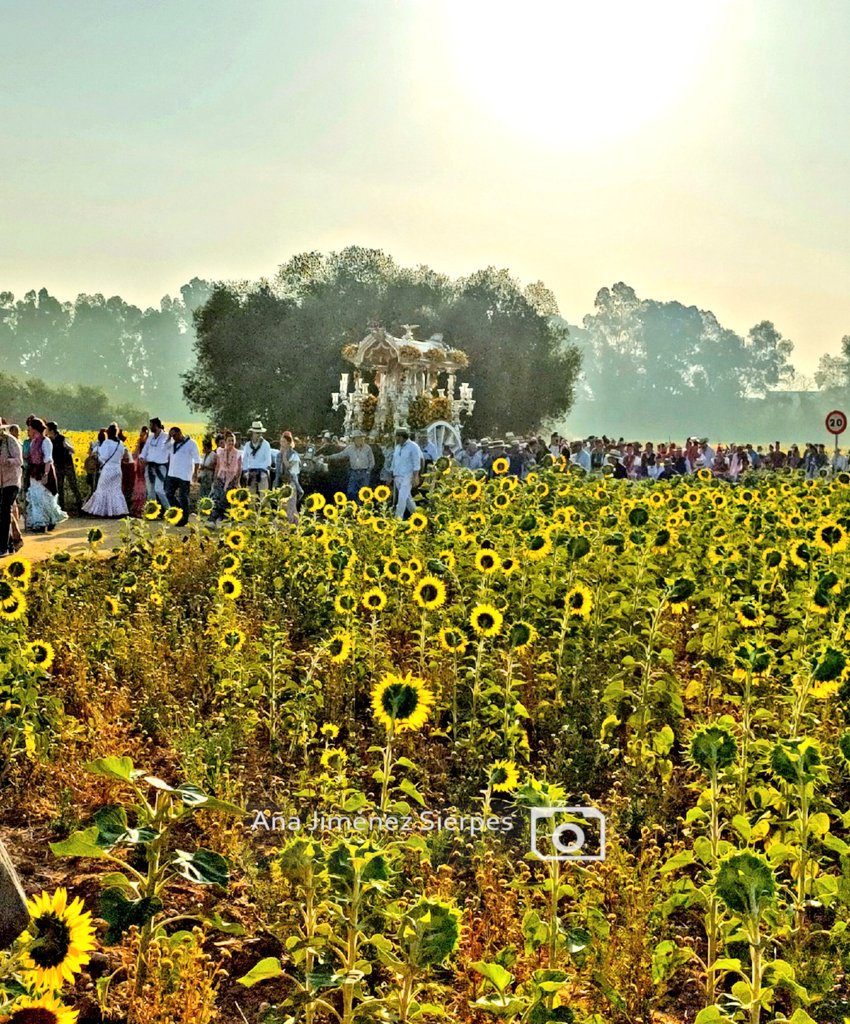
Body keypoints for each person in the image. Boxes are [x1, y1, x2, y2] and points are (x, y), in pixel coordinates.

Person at [27, 417, 68, 532]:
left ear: (35, 429)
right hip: (34, 472)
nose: (29, 431)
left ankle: (49, 520)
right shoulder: (33, 442)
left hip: (44, 471)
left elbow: (48, 460)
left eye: (30, 429)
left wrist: (45, 474)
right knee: (35, 497)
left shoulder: (46, 441)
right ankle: (39, 522)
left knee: (45, 497)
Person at [81, 423, 129, 518]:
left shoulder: (107, 443)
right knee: (115, 491)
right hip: (117, 469)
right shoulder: (120, 444)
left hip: (108, 470)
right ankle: (117, 511)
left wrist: (96, 454)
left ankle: (99, 511)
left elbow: (103, 456)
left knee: (102, 490)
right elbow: (122, 455)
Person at [164, 426, 201, 526]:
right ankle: (181, 511)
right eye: (172, 436)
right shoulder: (172, 444)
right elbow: (164, 448)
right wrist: (168, 438)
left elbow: (197, 459)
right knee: (168, 494)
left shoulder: (191, 443)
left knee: (183, 497)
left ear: (180, 433)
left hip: (184, 474)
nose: (174, 437)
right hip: (172, 473)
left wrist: (195, 473)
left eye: (175, 435)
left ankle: (184, 519)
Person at [327, 430, 375, 502]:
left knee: (364, 493)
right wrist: (328, 457)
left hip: (364, 472)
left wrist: (368, 471)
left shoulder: (367, 448)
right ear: (354, 440)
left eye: (360, 438)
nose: (359, 440)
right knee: (351, 491)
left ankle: (363, 508)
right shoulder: (350, 448)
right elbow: (340, 455)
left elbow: (372, 461)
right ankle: (354, 505)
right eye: (356, 438)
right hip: (354, 473)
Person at [46, 422, 82, 511]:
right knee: (59, 488)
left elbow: (72, 450)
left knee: (73, 486)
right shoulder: (49, 440)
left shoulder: (62, 438)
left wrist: (67, 447)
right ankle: (62, 508)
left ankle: (80, 507)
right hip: (58, 466)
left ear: (51, 430)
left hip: (67, 465)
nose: (46, 431)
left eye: (47, 429)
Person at [0, 419, 23, 556]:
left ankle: (3, 546)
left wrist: (6, 461)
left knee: (4, 510)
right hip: (0, 482)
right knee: (2, 513)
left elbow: (19, 461)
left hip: (11, 481)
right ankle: (10, 544)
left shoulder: (10, 441)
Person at [211, 431, 243, 523]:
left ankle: (224, 519)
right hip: (221, 477)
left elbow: (239, 468)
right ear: (225, 441)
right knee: (217, 498)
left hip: (232, 478)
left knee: (227, 500)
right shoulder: (220, 452)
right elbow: (218, 465)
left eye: (233, 441)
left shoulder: (238, 453)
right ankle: (215, 519)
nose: (231, 443)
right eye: (229, 440)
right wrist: (215, 478)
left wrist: (237, 481)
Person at [139, 417, 170, 510]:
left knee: (159, 489)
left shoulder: (166, 437)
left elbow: (170, 450)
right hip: (149, 466)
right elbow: (145, 449)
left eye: (151, 425)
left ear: (156, 425)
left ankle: (169, 509)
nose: (150, 427)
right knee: (150, 491)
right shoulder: (150, 437)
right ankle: (152, 511)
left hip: (160, 467)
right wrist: (142, 457)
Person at [391, 428, 422, 519]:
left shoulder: (413, 446)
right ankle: (417, 516)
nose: (396, 439)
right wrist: (392, 473)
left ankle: (398, 518)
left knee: (402, 497)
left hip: (408, 475)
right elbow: (394, 461)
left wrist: (415, 477)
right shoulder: (397, 447)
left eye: (398, 437)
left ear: (402, 436)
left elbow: (416, 463)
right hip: (398, 475)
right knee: (407, 498)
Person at [274, 430, 301, 522]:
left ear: (289, 443)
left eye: (284, 442)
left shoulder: (294, 455)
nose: (282, 444)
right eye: (281, 441)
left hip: (291, 483)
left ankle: (293, 525)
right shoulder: (278, 455)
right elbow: (278, 470)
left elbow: (290, 468)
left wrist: (285, 456)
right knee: (281, 505)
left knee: (291, 506)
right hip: (281, 483)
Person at [241, 420, 273, 495]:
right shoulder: (247, 445)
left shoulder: (265, 445)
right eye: (257, 433)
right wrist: (246, 471)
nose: (259, 435)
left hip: (262, 474)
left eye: (260, 433)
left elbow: (268, 461)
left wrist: (259, 470)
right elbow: (245, 459)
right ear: (252, 433)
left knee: (264, 498)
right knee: (251, 498)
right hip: (250, 474)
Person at [130, 426, 149, 517]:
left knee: (143, 488)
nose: (141, 437)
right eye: (141, 435)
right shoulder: (139, 443)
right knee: (139, 486)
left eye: (143, 435)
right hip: (138, 465)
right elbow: (134, 454)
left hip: (144, 465)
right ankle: (137, 509)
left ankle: (141, 509)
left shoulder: (149, 443)